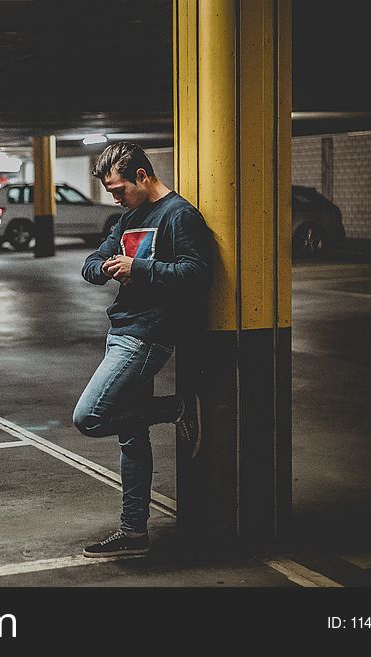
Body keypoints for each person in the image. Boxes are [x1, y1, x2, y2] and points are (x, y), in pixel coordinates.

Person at [73, 142, 212, 557]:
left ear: (142, 176)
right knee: (131, 438)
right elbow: (92, 263)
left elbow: (197, 272)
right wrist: (104, 267)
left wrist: (139, 268)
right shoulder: (128, 217)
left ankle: (176, 409)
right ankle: (133, 533)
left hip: (147, 336)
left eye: (119, 189)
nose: (115, 199)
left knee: (91, 417)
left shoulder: (179, 215)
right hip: (121, 330)